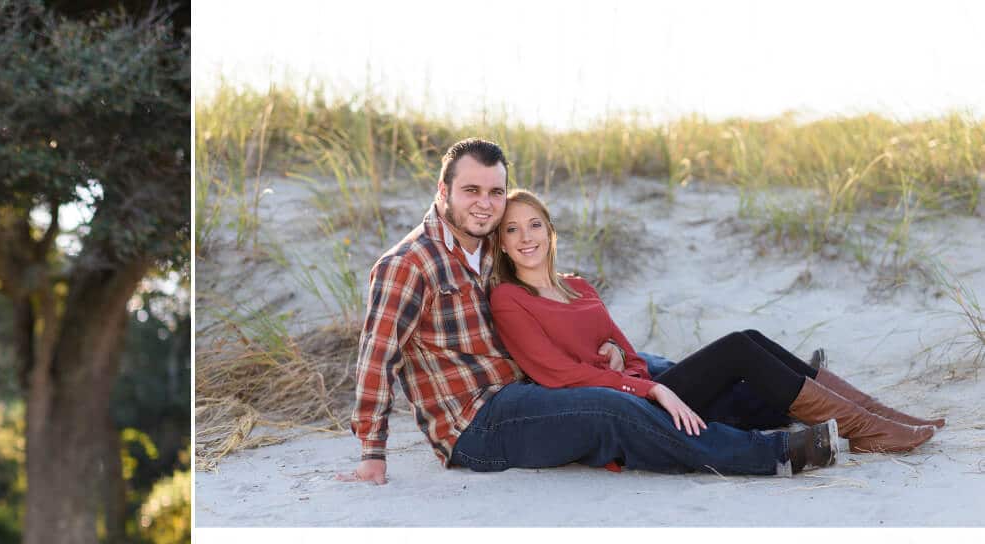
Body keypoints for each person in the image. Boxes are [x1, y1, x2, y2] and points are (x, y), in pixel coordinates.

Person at [342, 139, 836, 485]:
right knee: (614, 408)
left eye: (495, 191)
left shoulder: (491, 246)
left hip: (534, 382)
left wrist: (598, 347)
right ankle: (772, 454)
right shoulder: (408, 265)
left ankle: (785, 404)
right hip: (478, 424)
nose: (485, 203)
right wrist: (372, 454)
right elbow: (375, 359)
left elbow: (543, 303)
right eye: (471, 190)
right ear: (442, 191)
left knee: (658, 367)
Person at [489, 188, 943, 455]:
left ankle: (877, 415)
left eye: (533, 225)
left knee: (750, 342)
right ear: (502, 245)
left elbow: (625, 349)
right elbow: (556, 373)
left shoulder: (579, 286)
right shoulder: (510, 299)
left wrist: (617, 358)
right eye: (511, 230)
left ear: (550, 231)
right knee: (739, 348)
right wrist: (644, 386)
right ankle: (864, 429)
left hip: (644, 384)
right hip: (634, 406)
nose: (525, 237)